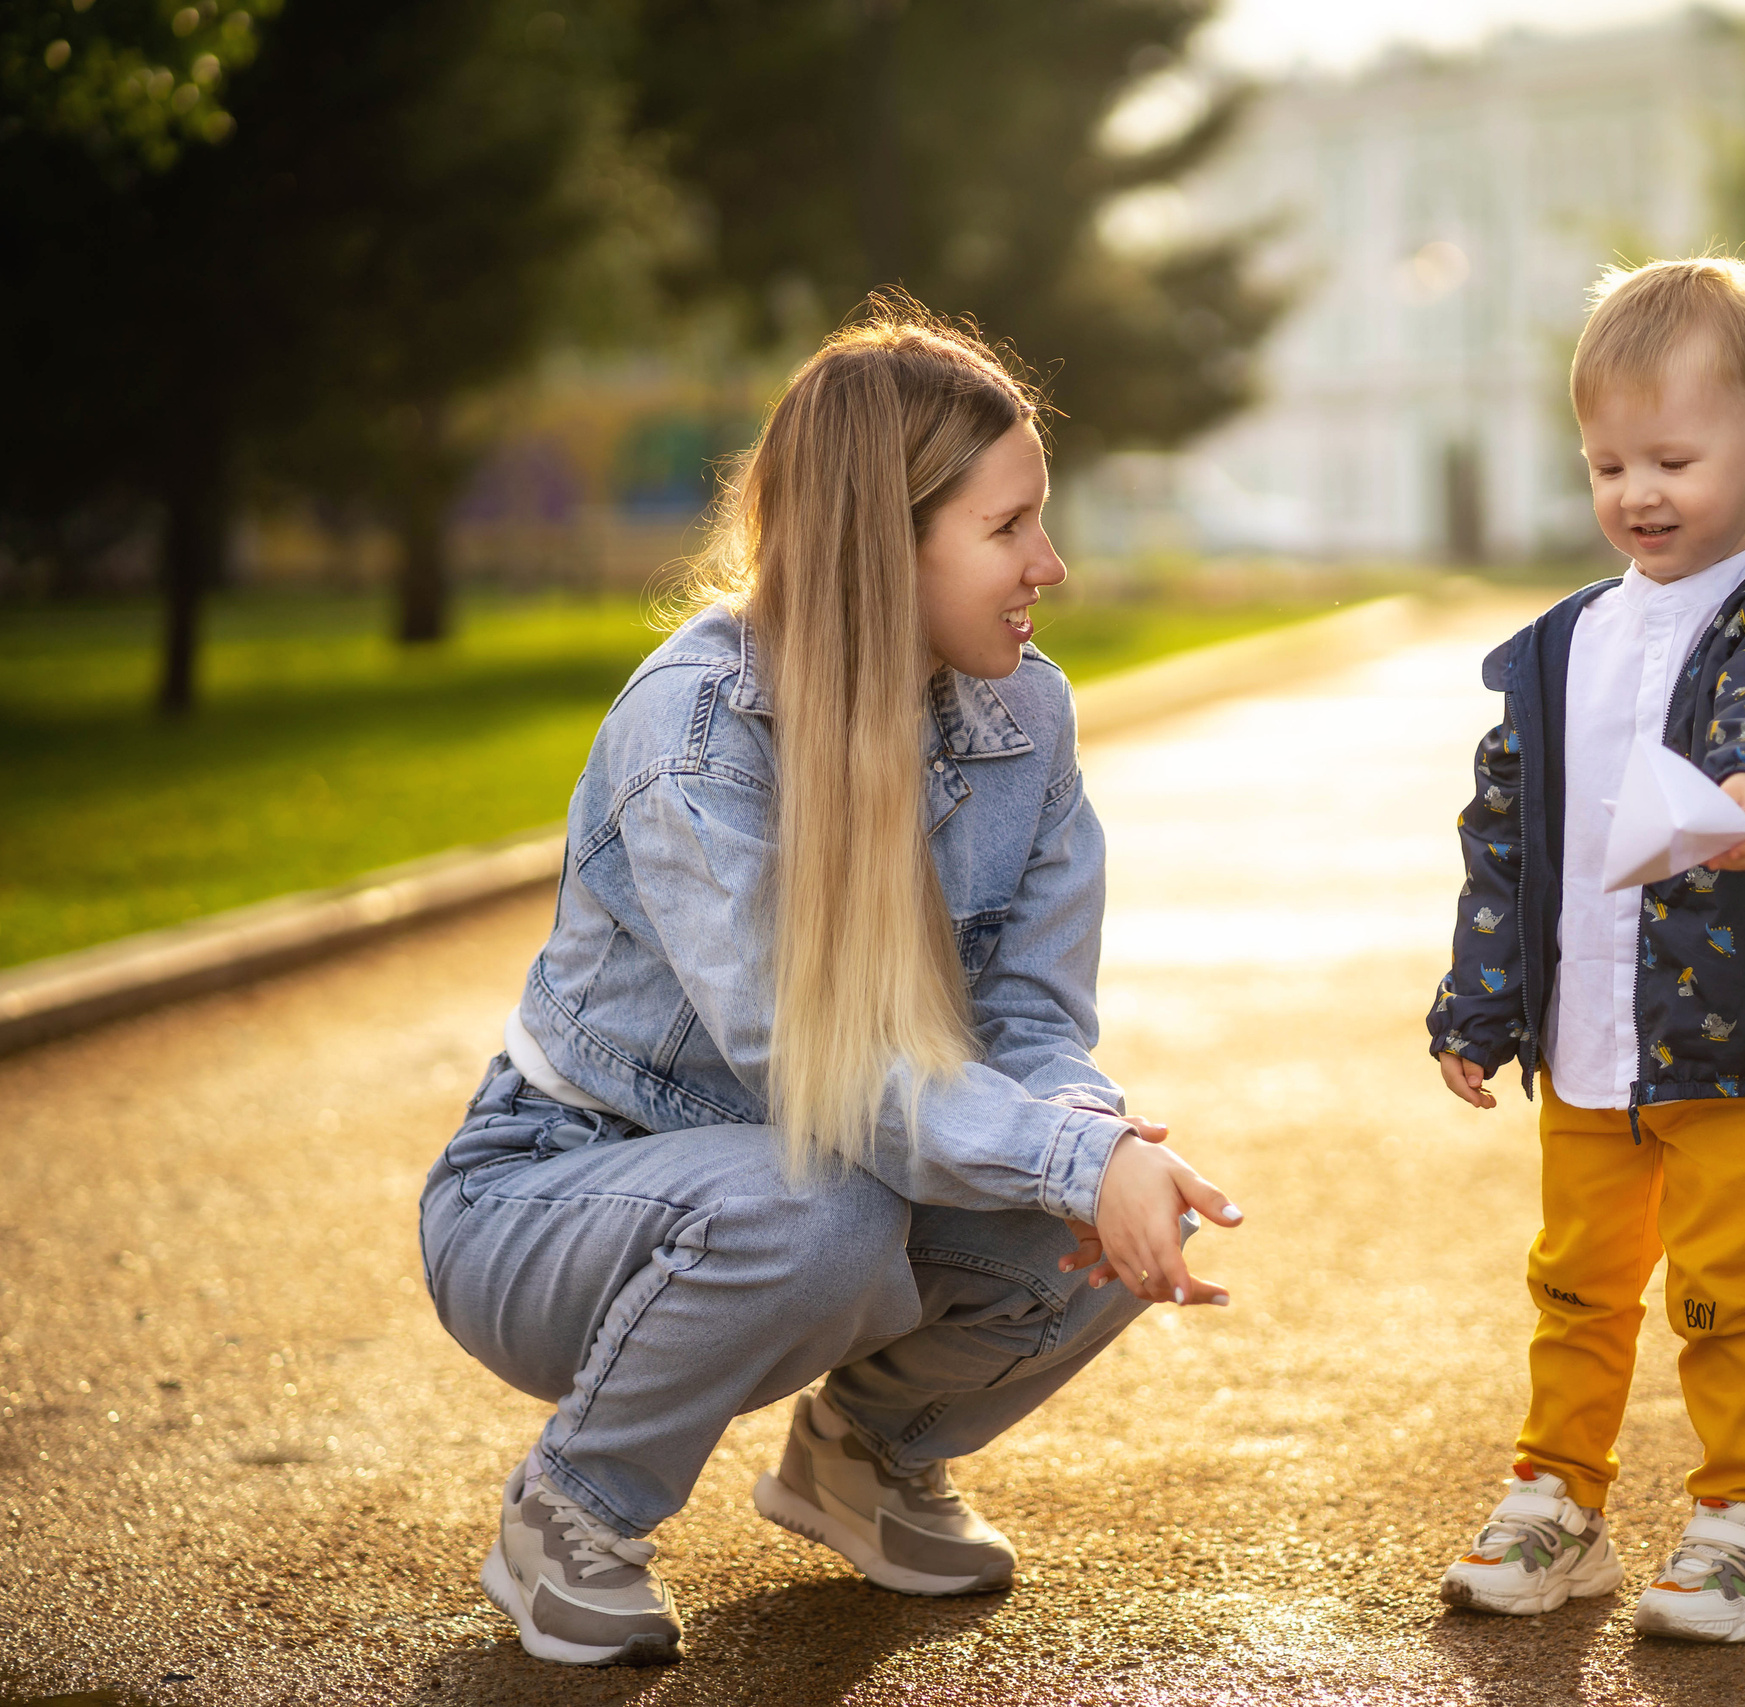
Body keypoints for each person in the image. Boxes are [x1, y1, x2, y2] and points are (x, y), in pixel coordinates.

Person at [419, 301, 1242, 1668]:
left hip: (818, 1184)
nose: (1050, 564)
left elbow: (1034, 1023)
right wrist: (1062, 1155)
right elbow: (813, 1078)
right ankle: (571, 1513)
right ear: (882, 542)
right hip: (551, 1194)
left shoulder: (1023, 714)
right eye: (1007, 528)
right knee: (834, 1204)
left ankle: (864, 1461)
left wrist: (1095, 1150)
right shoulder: (692, 737)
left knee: (1108, 1205)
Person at [1426, 254, 1745, 1644]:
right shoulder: (1559, 645)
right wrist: (1480, 1001)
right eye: (1610, 463)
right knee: (1575, 1287)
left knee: (1728, 1296)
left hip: (1741, 1045)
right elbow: (1507, 835)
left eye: (1673, 456)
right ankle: (1558, 1500)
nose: (1641, 493)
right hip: (1595, 1055)